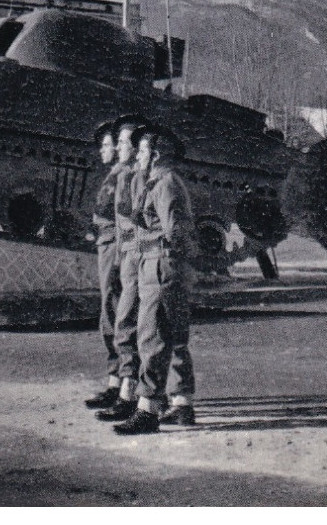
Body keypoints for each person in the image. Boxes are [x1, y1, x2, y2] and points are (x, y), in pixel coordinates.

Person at [115, 124, 197, 435]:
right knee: (174, 337)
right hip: (160, 266)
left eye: (144, 150)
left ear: (157, 154)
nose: (138, 155)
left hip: (160, 267)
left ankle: (147, 409)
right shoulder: (157, 182)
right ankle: (182, 403)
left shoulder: (165, 184)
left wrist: (148, 247)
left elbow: (174, 233)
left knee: (151, 337)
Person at [95, 115, 146, 423]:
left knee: (122, 319)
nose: (116, 147)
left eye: (124, 143)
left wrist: (120, 255)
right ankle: (119, 383)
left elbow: (129, 222)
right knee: (111, 316)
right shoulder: (120, 172)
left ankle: (127, 389)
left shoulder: (130, 176)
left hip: (122, 251)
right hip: (113, 247)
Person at [85, 121, 123, 410]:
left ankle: (122, 383)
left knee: (115, 311)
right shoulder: (114, 174)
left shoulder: (124, 176)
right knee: (109, 312)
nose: (104, 150)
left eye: (108, 145)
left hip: (115, 247)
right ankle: (116, 380)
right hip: (105, 243)